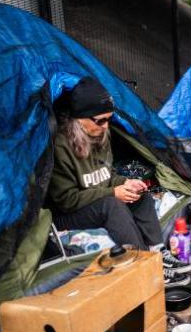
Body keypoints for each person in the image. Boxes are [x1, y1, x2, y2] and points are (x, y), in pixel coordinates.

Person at [48, 77, 166, 253]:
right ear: (80, 118)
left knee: (140, 195)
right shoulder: (60, 146)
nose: (106, 126)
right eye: (100, 120)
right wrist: (112, 192)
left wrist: (125, 182)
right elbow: (67, 201)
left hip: (97, 200)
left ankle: (159, 251)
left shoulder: (101, 134)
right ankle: (142, 260)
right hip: (68, 215)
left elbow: (107, 175)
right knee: (112, 206)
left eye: (109, 119)